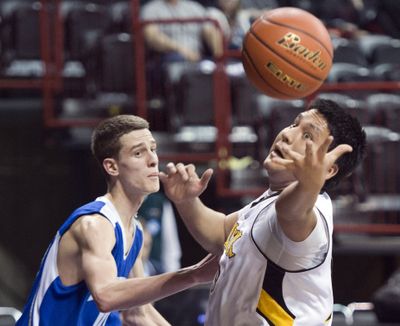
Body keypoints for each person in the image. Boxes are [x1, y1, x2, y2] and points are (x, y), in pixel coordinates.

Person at [159, 99, 366, 325]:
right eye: (294, 124)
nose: (288, 134)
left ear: (328, 169)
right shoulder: (268, 201)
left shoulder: (312, 212)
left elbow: (290, 213)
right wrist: (187, 201)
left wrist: (309, 185)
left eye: (308, 136)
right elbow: (221, 233)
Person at [16, 115, 218, 326]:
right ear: (112, 167)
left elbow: (138, 314)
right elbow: (106, 296)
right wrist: (194, 275)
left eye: (153, 149)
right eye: (139, 153)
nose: (153, 159)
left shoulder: (135, 231)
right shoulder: (95, 224)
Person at [141, 0, 223, 63]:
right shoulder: (151, 9)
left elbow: (209, 31)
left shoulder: (194, 7)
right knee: (177, 60)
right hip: (168, 58)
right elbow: (152, 36)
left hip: (197, 56)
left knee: (215, 64)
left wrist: (219, 56)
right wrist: (182, 49)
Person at [138, 192, 182, 275]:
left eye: (147, 245)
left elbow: (170, 243)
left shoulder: (159, 202)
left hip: (154, 268)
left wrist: (171, 277)